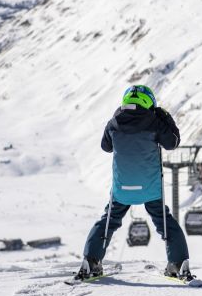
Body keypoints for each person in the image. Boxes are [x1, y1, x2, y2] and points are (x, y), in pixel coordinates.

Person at [76, 85, 195, 280]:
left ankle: (91, 262)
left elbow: (105, 146)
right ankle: (177, 264)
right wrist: (165, 117)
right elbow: (172, 142)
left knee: (108, 221)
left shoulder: (113, 123)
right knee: (165, 222)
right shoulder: (155, 121)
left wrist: (116, 121)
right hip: (150, 188)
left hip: (122, 188)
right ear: (149, 102)